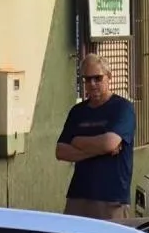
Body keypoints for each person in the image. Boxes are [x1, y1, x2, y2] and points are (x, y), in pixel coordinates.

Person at [54, 53, 136, 221]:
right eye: (87, 79)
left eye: (98, 78)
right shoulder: (78, 112)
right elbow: (61, 151)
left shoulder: (123, 108)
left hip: (112, 199)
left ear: (109, 77)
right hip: (79, 196)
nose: (92, 84)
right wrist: (100, 149)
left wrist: (78, 142)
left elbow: (109, 143)